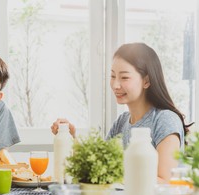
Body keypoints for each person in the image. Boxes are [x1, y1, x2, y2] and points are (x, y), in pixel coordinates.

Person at [51, 42, 190, 183]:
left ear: (146, 81)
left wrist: (115, 173)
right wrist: (70, 136)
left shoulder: (165, 120)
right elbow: (97, 167)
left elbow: (166, 182)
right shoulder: (121, 122)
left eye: (124, 77)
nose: (116, 85)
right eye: (112, 76)